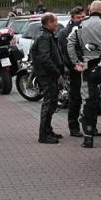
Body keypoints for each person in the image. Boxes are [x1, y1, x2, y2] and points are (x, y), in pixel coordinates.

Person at [66, 0, 101, 147]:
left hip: (87, 69)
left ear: (89, 10)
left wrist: (76, 62)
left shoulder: (80, 25)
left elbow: (69, 43)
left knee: (88, 102)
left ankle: (88, 138)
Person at [29, 13, 69, 144]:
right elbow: (45, 58)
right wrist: (57, 73)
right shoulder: (44, 37)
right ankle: (43, 135)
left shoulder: (47, 35)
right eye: (54, 22)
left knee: (52, 103)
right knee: (48, 102)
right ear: (48, 23)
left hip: (49, 74)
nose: (56, 24)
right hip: (47, 75)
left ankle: (48, 130)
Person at [59, 6, 85, 138]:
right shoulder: (65, 33)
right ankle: (73, 126)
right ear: (72, 18)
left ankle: (88, 125)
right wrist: (73, 65)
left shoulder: (87, 29)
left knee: (90, 98)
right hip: (74, 70)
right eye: (78, 17)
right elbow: (65, 52)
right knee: (75, 98)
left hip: (87, 67)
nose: (81, 20)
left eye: (83, 17)